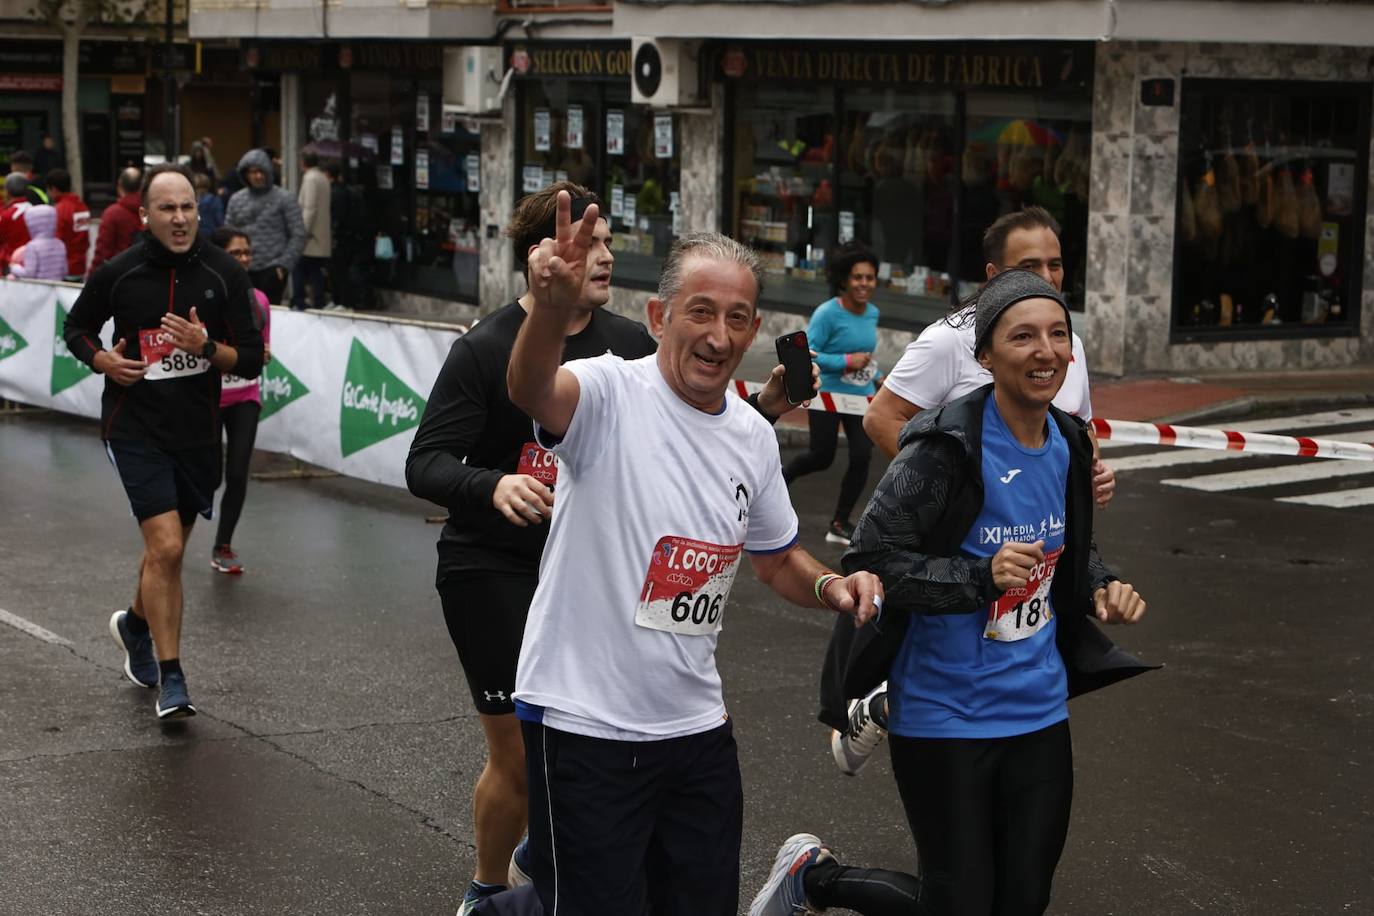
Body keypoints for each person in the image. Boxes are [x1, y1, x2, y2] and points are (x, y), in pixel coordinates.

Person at [406, 182, 816, 916]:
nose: (601, 258)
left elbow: (698, 435)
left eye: (736, 319)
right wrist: (491, 483)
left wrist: (767, 416)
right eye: (586, 247)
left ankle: (538, 886)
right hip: (499, 572)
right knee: (519, 764)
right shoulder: (509, 353)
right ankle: (494, 886)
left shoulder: (636, 344)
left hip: (671, 690)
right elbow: (516, 400)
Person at [501, 194, 882, 916]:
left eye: (737, 318)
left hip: (694, 729)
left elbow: (775, 558)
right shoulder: (612, 391)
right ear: (659, 318)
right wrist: (550, 311)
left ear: (755, 332)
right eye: (700, 312)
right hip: (586, 725)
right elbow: (531, 387)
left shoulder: (750, 434)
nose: (718, 334)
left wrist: (832, 586)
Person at [750, 269, 1153, 916]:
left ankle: (814, 878)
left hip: (1040, 713)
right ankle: (815, 878)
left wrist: (1103, 586)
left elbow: (1068, 545)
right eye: (1022, 336)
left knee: (1022, 900)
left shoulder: (1071, 443)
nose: (1044, 350)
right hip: (945, 714)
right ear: (985, 356)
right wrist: (979, 575)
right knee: (960, 903)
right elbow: (873, 560)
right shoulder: (944, 449)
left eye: (1057, 334)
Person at [831, 206, 1118, 776]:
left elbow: (1076, 434)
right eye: (1028, 266)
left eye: (1056, 265)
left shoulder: (1068, 345)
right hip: (954, 556)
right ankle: (890, 704)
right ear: (994, 276)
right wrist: (962, 499)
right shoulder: (949, 342)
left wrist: (1087, 479)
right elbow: (881, 419)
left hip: (1029, 566)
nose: (1046, 278)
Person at [62, 164, 264, 719]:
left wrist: (205, 346)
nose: (179, 219)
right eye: (167, 209)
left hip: (197, 433)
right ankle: (172, 679)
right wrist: (103, 360)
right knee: (168, 549)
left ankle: (134, 624)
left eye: (188, 208)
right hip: (135, 428)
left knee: (163, 552)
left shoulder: (225, 274)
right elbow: (75, 328)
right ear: (145, 215)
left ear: (199, 212)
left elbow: (249, 357)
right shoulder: (119, 274)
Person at [781, 243, 881, 547]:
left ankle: (840, 522)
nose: (864, 284)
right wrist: (844, 362)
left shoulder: (873, 313)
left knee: (862, 456)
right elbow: (807, 353)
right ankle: (781, 478)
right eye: (857, 278)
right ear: (844, 280)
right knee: (821, 457)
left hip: (859, 397)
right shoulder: (827, 313)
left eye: (870, 278)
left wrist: (877, 377)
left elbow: (866, 356)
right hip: (827, 395)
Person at [208, 226, 272, 575]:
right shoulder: (204, 296)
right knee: (211, 476)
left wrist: (261, 355)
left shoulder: (259, 300)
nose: (244, 259)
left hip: (245, 395)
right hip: (210, 396)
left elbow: (261, 347)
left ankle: (223, 546)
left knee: (237, 474)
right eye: (236, 253)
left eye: (247, 252)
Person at [225, 148, 305, 305]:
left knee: (271, 317)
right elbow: (228, 235)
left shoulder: (285, 198)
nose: (258, 176)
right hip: (242, 268)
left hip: (272, 269)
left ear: (269, 172)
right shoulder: (236, 199)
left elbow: (298, 234)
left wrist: (283, 265)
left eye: (261, 171)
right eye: (253, 172)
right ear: (245, 174)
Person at [293, 150, 331, 310]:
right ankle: (318, 300)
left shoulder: (310, 179)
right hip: (319, 235)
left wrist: (302, 231)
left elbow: (309, 207)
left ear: (303, 163)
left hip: (310, 236)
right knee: (315, 270)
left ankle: (300, 301)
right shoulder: (322, 177)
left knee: (299, 268)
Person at [89, 167, 143, 274]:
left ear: (119, 186)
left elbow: (102, 252)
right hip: (143, 274)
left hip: (118, 276)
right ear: (141, 187)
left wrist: (92, 276)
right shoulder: (151, 211)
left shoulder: (112, 214)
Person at [46, 168, 91, 280]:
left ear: (54, 189)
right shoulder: (82, 206)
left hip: (64, 268)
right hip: (81, 265)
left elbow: (57, 241)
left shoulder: (58, 210)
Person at [8, 204, 65, 280]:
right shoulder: (60, 244)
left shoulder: (32, 246)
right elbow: (64, 271)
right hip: (57, 287)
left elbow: (29, 274)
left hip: (39, 288)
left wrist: (14, 267)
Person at [0, 174, 33, 275]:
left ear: (8, 192)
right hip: (32, 264)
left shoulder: (6, 215)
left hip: (10, 267)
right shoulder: (35, 210)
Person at [194, 173, 224, 240]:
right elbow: (220, 220)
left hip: (197, 236)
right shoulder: (215, 200)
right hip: (213, 234)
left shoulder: (191, 202)